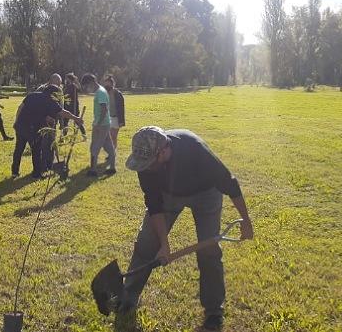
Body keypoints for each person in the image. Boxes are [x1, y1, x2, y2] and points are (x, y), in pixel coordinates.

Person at [119, 126, 254, 331]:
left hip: (206, 193)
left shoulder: (194, 149)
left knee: (209, 252)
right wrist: (164, 244)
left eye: (149, 164)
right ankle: (128, 297)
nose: (144, 168)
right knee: (147, 242)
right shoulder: (145, 164)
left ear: (163, 151)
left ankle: (213, 311)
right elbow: (154, 204)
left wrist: (246, 220)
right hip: (169, 195)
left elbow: (230, 183)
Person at [11, 85, 83, 179]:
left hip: (21, 126)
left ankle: (14, 172)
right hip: (33, 128)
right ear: (53, 94)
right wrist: (76, 118)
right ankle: (36, 174)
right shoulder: (50, 101)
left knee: (19, 149)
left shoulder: (32, 95)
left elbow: (21, 108)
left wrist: (16, 121)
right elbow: (63, 112)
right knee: (36, 150)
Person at [80, 73, 116, 177]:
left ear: (91, 83)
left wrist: (98, 124)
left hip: (101, 125)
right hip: (105, 123)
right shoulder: (101, 90)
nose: (87, 89)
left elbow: (104, 109)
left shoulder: (100, 92)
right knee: (109, 146)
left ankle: (93, 170)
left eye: (86, 86)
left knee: (94, 147)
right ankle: (112, 168)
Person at [104, 75, 125, 149]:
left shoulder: (118, 94)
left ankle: (113, 153)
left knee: (113, 136)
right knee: (109, 137)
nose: (106, 85)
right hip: (107, 118)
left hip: (116, 118)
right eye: (105, 84)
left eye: (108, 84)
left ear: (112, 84)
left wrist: (121, 121)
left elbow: (121, 108)